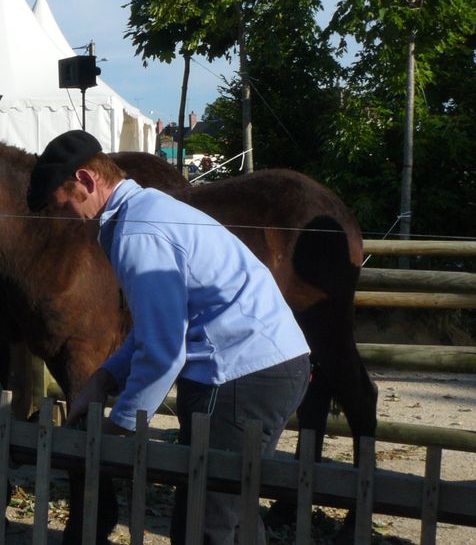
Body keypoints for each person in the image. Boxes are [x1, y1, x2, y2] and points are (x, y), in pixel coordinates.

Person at [27, 130, 310, 544]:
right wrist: (104, 379)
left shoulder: (139, 232)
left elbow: (163, 350)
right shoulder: (145, 212)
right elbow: (156, 326)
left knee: (203, 525)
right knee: (233, 514)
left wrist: (119, 426)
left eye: (62, 205)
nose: (65, 219)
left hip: (237, 374)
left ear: (87, 181)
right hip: (270, 366)